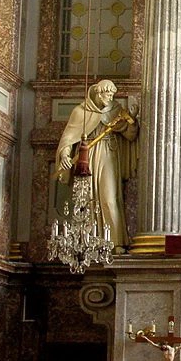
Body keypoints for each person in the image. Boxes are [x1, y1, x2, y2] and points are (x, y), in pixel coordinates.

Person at [55, 80, 139, 252]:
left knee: (109, 198)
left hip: (108, 155)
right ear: (98, 94)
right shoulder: (81, 112)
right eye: (107, 94)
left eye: (112, 95)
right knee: (86, 199)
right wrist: (64, 155)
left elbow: (131, 135)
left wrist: (132, 121)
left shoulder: (115, 110)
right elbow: (68, 137)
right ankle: (87, 241)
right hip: (87, 156)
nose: (110, 97)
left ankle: (115, 242)